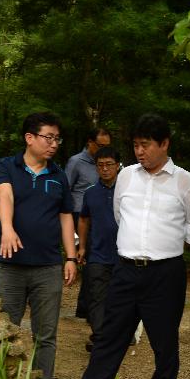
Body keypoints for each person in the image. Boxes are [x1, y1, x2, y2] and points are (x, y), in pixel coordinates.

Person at [74, 113, 190, 379]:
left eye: (146, 145)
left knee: (164, 340)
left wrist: (167, 239)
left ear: (164, 144)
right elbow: (120, 214)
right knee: (110, 335)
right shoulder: (126, 176)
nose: (139, 151)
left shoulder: (186, 183)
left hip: (165, 273)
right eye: (135, 145)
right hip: (124, 270)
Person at [0, 112, 78, 379]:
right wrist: (8, 228)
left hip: (48, 267)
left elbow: (66, 216)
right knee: (2, 329)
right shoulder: (5, 166)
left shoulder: (59, 175)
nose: (54, 144)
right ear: (30, 138)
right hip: (10, 266)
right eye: (48, 138)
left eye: (57, 139)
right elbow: (5, 196)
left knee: (46, 334)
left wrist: (71, 256)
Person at [76, 146, 120, 353]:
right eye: (100, 165)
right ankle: (100, 338)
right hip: (98, 254)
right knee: (96, 297)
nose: (104, 169)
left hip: (125, 255)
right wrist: (82, 247)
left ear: (118, 166)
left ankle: (118, 336)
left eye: (109, 165)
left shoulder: (128, 191)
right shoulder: (91, 193)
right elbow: (83, 219)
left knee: (120, 298)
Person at [66, 128, 111, 319]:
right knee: (92, 261)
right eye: (101, 146)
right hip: (79, 216)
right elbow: (65, 190)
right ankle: (87, 308)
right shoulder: (76, 162)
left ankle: (87, 307)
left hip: (98, 216)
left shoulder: (107, 164)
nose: (104, 150)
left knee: (96, 263)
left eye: (107, 147)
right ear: (90, 142)